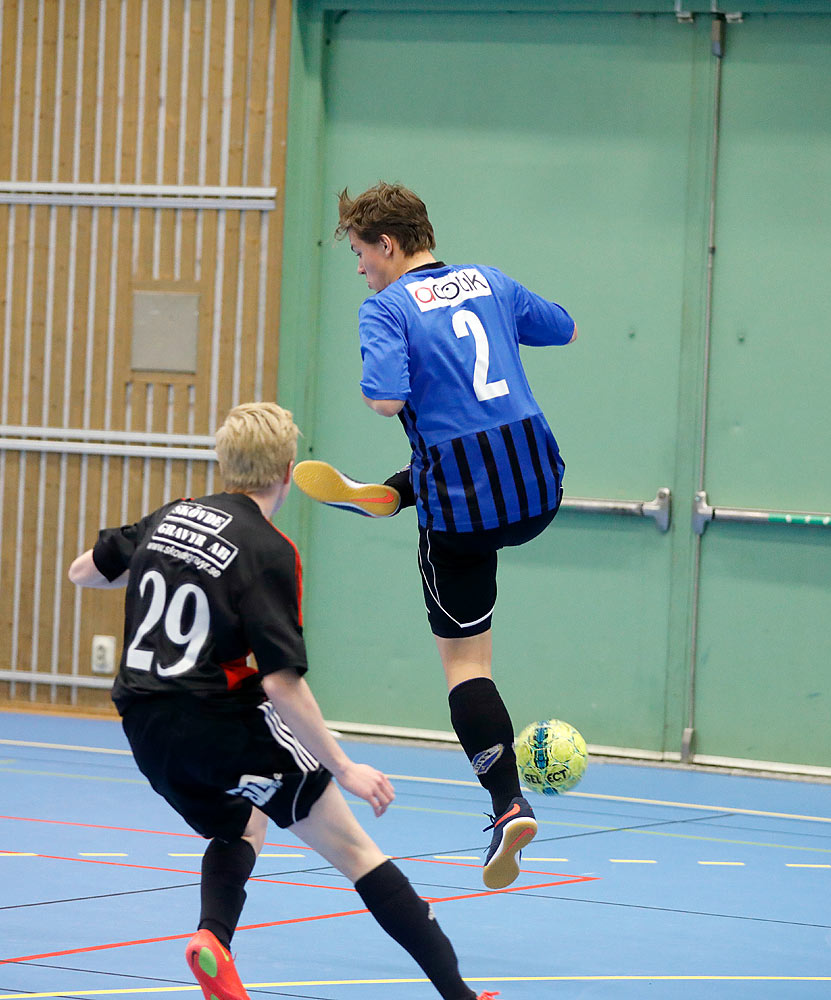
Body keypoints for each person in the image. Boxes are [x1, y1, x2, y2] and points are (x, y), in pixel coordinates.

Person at [68, 402, 493, 1000]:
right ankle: (462, 997)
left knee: (242, 824)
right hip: (218, 722)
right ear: (288, 471)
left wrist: (146, 564)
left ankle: (212, 939)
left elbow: (83, 571)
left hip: (142, 722)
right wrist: (345, 767)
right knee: (357, 853)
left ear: (224, 462)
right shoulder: (268, 549)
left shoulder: (173, 517)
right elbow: (280, 683)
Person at [292, 181, 577, 890]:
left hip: (464, 503)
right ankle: (397, 489)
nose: (360, 269)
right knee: (447, 458)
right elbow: (564, 326)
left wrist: (390, 364)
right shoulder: (491, 280)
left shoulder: (384, 308)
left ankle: (508, 802)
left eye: (361, 255)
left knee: (466, 666)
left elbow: (386, 398)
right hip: (539, 481)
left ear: (388, 246)